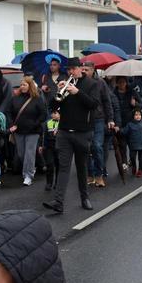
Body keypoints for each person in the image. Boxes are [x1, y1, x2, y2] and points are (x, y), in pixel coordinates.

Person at [44, 58, 100, 214]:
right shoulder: (64, 83)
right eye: (68, 69)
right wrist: (57, 92)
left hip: (83, 132)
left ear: (81, 68)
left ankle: (85, 198)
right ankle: (58, 202)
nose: (70, 72)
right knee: (63, 167)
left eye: (73, 69)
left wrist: (78, 92)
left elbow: (94, 104)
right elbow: (53, 106)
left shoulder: (91, 84)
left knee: (81, 167)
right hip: (64, 132)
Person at [5, 76, 47, 187]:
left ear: (30, 86)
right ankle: (31, 168)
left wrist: (35, 123)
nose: (22, 87)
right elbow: (8, 112)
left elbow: (43, 114)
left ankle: (28, 175)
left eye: (24, 84)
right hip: (18, 130)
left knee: (29, 153)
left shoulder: (37, 99)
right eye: (21, 85)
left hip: (33, 131)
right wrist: (11, 124)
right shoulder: (15, 98)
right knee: (21, 154)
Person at [84, 64, 115, 188]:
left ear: (92, 70)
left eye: (86, 70)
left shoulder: (100, 83)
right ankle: (90, 174)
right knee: (86, 148)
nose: (84, 71)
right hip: (84, 119)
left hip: (98, 118)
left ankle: (99, 175)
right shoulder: (80, 82)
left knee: (97, 146)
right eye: (82, 69)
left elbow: (107, 101)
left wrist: (110, 119)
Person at [119, 108, 142, 178]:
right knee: (132, 157)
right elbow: (124, 132)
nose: (138, 116)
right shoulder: (129, 125)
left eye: (139, 115)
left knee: (141, 158)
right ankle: (134, 167)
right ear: (133, 116)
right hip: (132, 145)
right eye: (136, 115)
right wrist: (119, 130)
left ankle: (140, 171)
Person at [40, 110, 60, 192]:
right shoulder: (47, 123)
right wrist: (41, 145)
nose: (53, 115)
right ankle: (49, 183)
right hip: (49, 147)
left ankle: (57, 183)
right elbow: (43, 135)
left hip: (59, 147)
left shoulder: (63, 123)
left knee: (59, 165)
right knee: (50, 164)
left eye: (56, 113)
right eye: (52, 113)